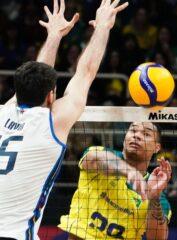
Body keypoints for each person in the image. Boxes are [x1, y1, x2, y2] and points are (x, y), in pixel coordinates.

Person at [0, 0, 128, 239]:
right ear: (51, 96)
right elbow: (86, 72)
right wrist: (102, 27)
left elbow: (37, 76)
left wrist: (54, 36)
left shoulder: (3, 112)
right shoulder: (52, 124)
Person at [59, 122, 172, 240]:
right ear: (124, 139)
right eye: (133, 131)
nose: (137, 135)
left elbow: (157, 238)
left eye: (146, 134)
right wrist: (129, 171)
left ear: (156, 147)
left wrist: (154, 196)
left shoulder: (159, 196)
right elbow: (93, 159)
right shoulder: (101, 153)